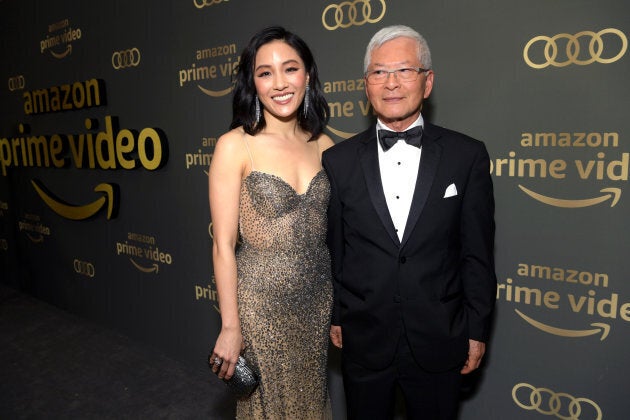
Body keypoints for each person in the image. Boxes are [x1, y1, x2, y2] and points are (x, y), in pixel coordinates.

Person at [322, 25, 497, 420]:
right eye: (379, 73)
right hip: (365, 336)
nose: (391, 83)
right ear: (366, 86)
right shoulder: (338, 161)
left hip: (440, 334)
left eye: (404, 71)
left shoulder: (466, 156)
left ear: (427, 81)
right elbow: (337, 250)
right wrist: (337, 315)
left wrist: (476, 327)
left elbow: (477, 254)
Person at [208, 26, 334, 419]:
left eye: (290, 69)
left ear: (308, 75)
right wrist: (231, 326)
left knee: (311, 400)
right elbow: (223, 245)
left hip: (316, 299)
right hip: (260, 305)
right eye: (265, 73)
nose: (279, 83)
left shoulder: (326, 146)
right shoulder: (236, 145)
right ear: (253, 82)